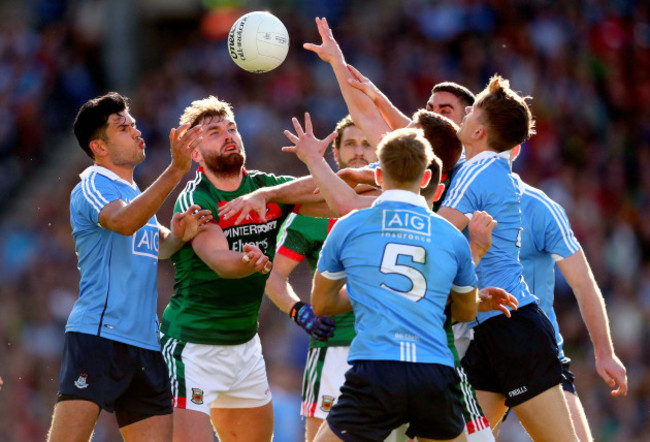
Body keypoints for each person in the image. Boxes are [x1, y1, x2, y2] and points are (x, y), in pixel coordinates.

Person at [287, 119, 480, 442]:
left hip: (375, 370)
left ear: (378, 175)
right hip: (433, 371)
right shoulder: (452, 236)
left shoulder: (348, 226)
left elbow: (322, 304)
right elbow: (466, 311)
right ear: (428, 177)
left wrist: (370, 291)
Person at [158, 96, 335, 442]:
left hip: (245, 349)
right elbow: (220, 261)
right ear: (195, 153)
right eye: (213, 132)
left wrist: (273, 192)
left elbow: (335, 195)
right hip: (193, 349)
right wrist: (248, 261)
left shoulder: (262, 188)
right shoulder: (197, 198)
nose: (228, 135)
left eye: (232, 128)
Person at [48, 92, 210, 442]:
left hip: (146, 345)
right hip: (99, 336)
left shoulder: (135, 192)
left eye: (133, 124)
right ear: (100, 147)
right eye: (123, 128)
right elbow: (122, 223)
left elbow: (157, 247)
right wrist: (176, 170)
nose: (136, 131)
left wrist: (178, 235)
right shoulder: (93, 183)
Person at [437, 75, 579, 441]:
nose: (464, 115)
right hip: (489, 324)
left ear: (480, 133)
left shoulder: (477, 169)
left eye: (472, 112)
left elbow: (434, 235)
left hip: (513, 329)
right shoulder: (490, 169)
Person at [266, 115, 380, 441]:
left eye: (367, 143)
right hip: (332, 349)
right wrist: (298, 311)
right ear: (337, 154)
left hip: (387, 346)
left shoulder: (396, 202)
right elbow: (275, 278)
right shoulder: (311, 213)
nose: (359, 151)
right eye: (350, 144)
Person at [509, 145, 628, 441]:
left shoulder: (539, 206)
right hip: (477, 351)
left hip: (535, 352)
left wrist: (604, 352)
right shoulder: (454, 199)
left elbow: (583, 282)